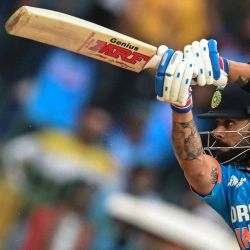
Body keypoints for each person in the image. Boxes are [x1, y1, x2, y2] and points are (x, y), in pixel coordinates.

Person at [154, 38, 250, 249]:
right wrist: (181, 107)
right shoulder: (234, 183)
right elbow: (195, 167)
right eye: (217, 123)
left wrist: (225, 67)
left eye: (229, 123)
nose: (218, 132)